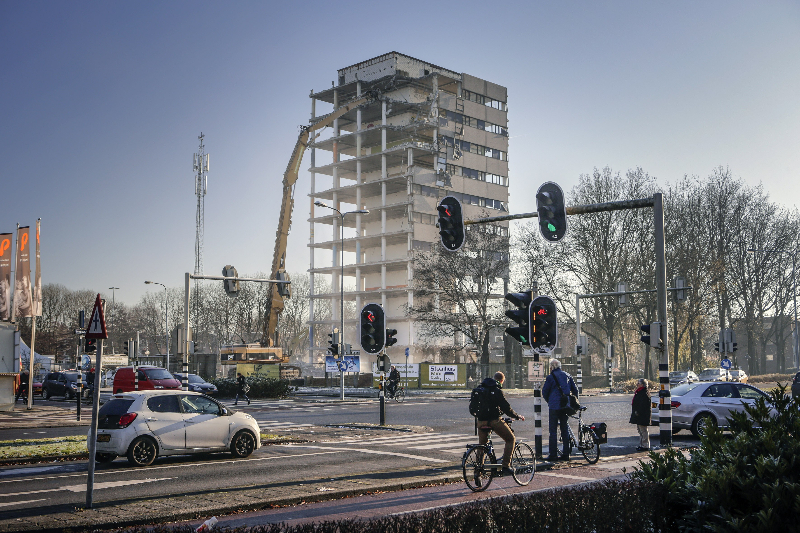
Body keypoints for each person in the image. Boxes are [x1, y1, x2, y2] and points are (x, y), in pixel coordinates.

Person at [476, 371, 525, 477]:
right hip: (494, 421)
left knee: (482, 446)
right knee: (510, 439)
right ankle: (506, 466)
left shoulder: (481, 388)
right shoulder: (497, 390)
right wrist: (517, 416)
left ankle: (477, 473)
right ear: (502, 381)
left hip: (480, 421)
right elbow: (506, 407)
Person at [541, 358, 579, 461]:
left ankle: (553, 455)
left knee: (553, 431)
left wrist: (550, 401)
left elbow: (544, 392)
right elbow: (575, 390)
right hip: (565, 406)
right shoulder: (567, 375)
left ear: (552, 367)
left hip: (554, 407)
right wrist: (573, 401)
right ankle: (566, 454)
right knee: (564, 430)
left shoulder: (550, 377)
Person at [630, 378, 651, 451]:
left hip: (642, 415)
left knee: (643, 430)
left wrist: (638, 411)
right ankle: (642, 444)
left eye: (638, 383)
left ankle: (645, 445)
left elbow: (643, 405)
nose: (637, 384)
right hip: (639, 414)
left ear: (642, 384)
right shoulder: (640, 392)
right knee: (640, 430)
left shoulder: (644, 393)